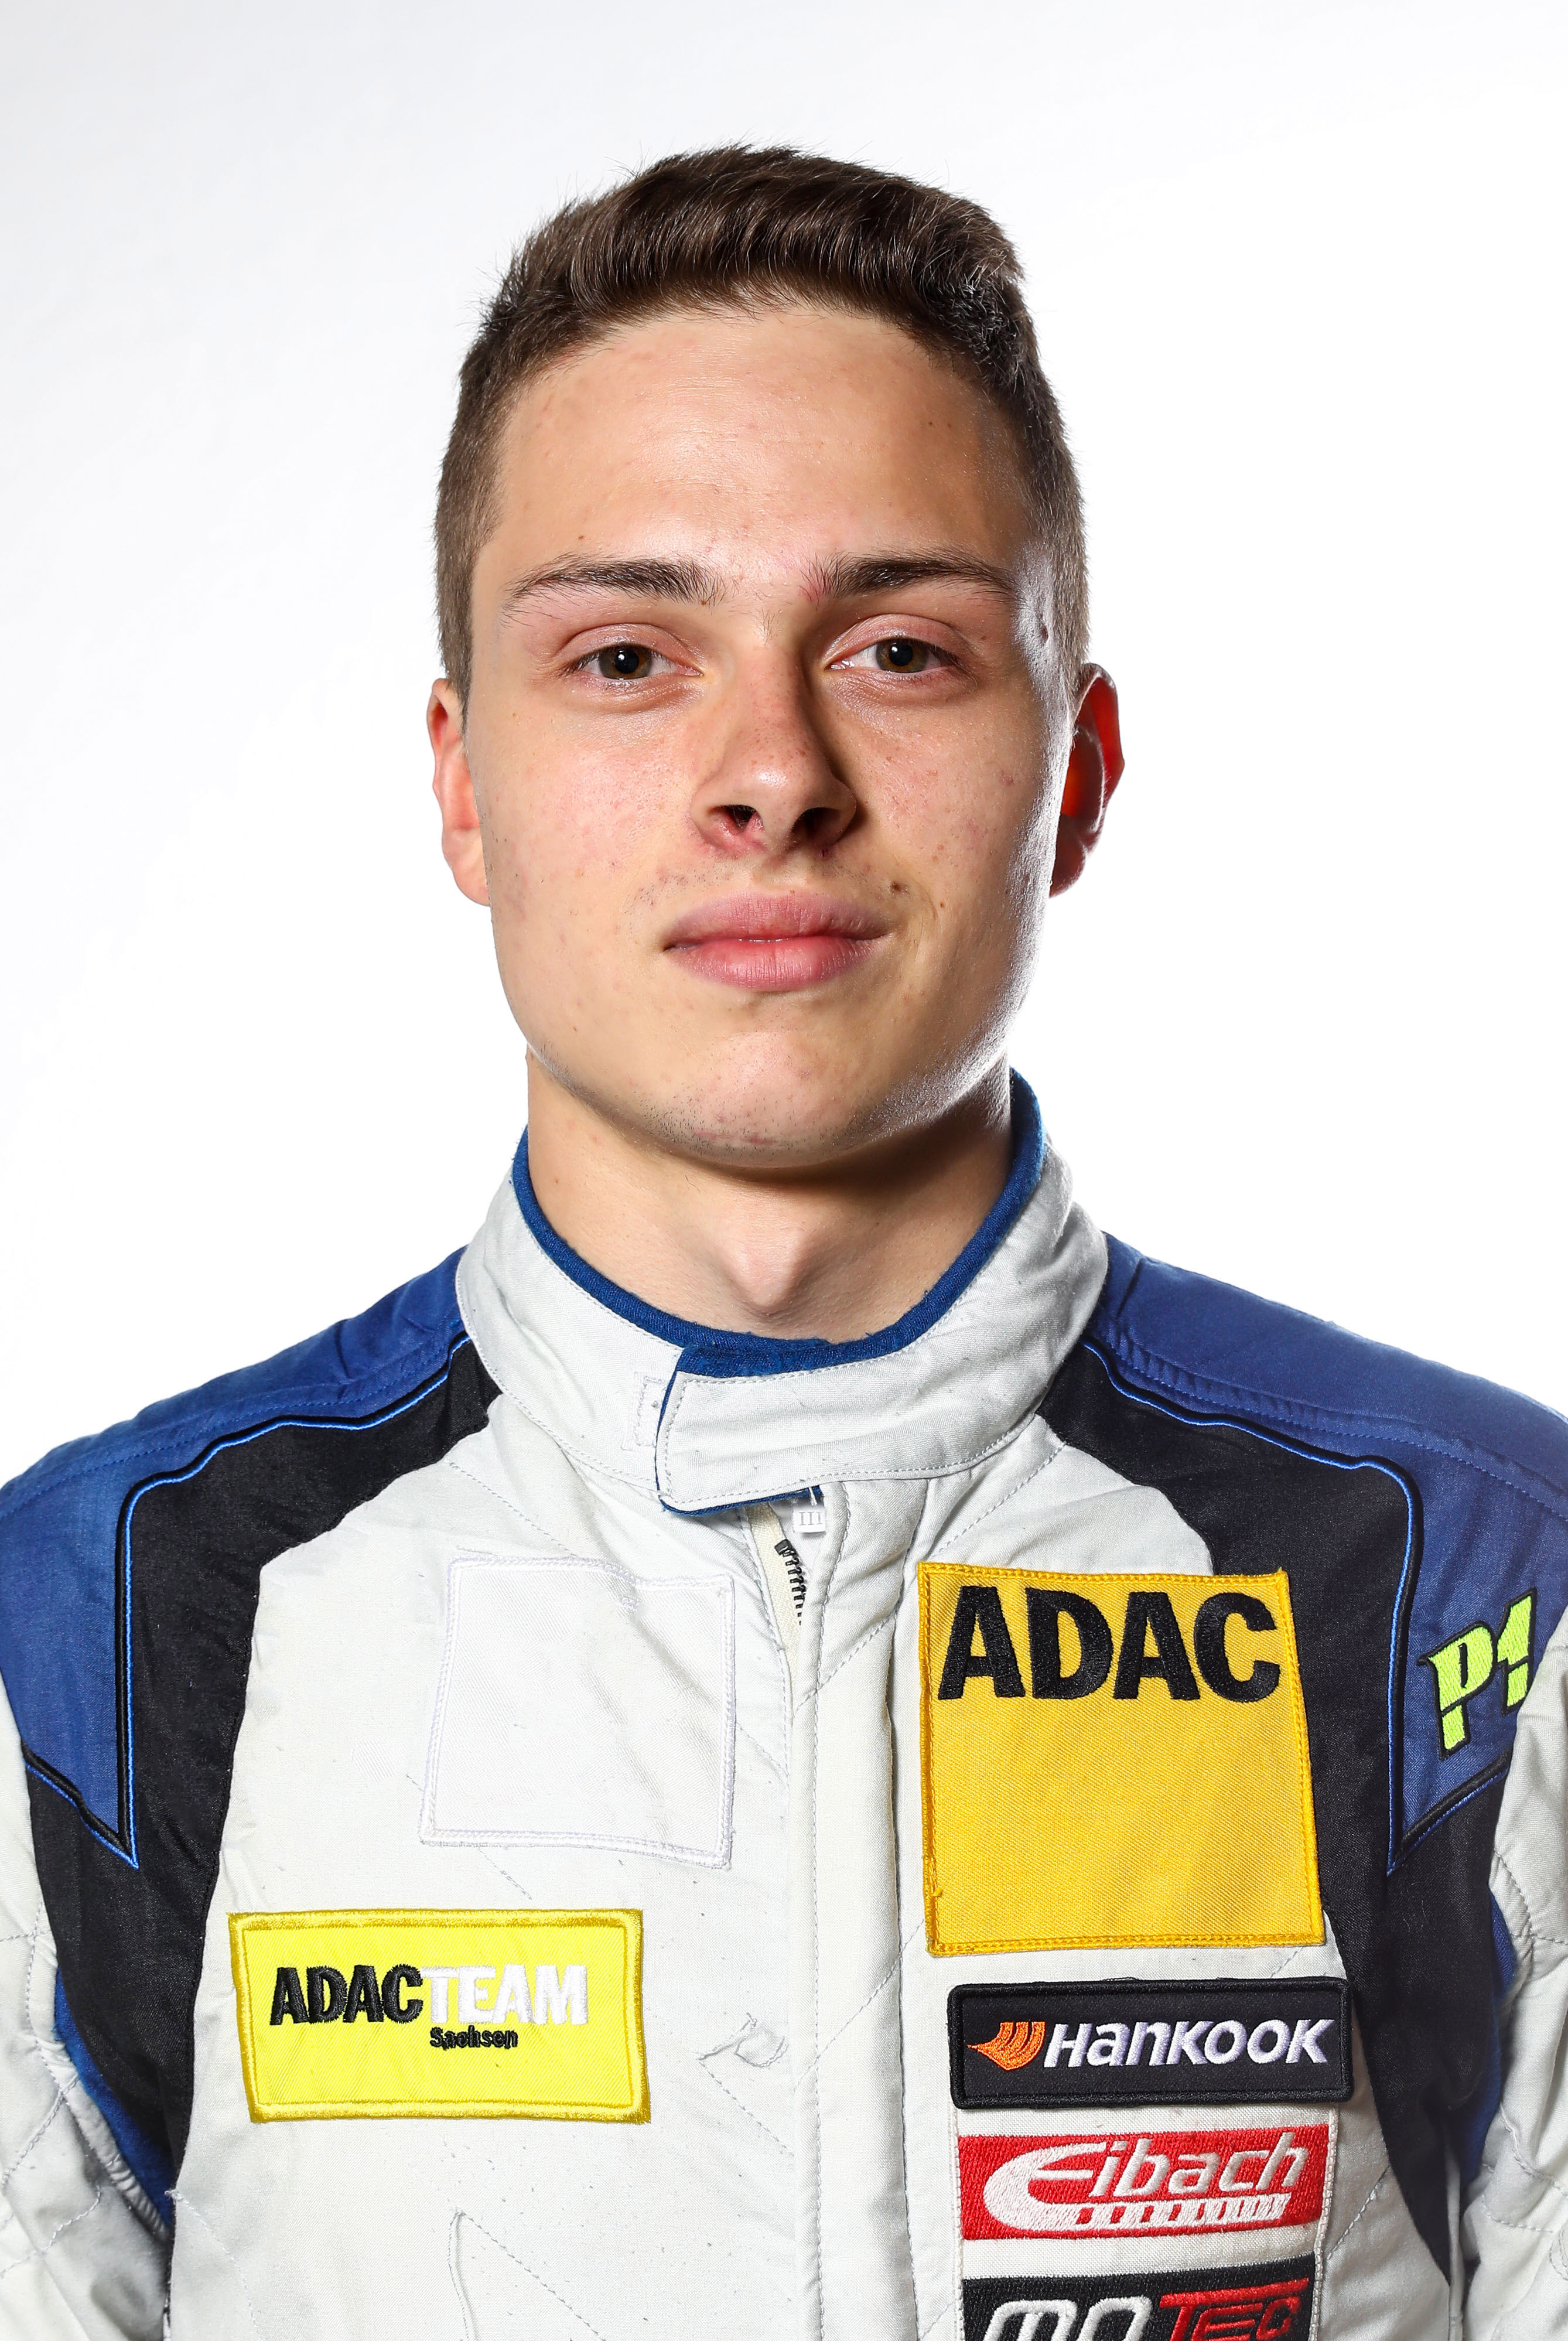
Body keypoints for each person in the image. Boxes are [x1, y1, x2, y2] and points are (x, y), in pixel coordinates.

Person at [0, 145, 1562, 2341]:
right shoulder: (94, 1617)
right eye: (629, 654)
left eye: (900, 649)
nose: (770, 775)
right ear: (464, 780)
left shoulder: (1486, 1580)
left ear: (1079, 771)